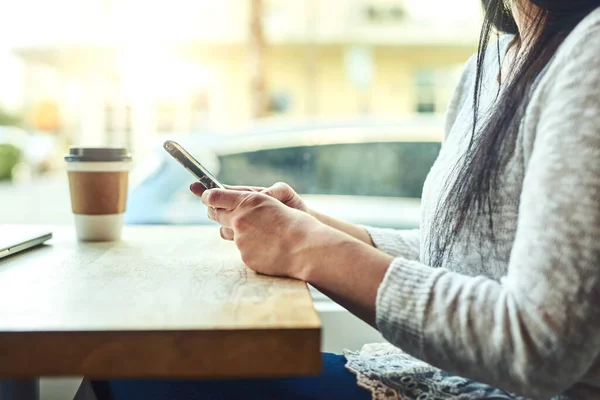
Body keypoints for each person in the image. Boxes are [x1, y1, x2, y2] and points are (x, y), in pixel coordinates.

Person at [96, 0, 600, 398]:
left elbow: (539, 347)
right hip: (434, 374)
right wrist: (307, 223)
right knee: (122, 364)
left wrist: (306, 248)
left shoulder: (590, 51)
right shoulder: (485, 67)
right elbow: (462, 259)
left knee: (126, 367)